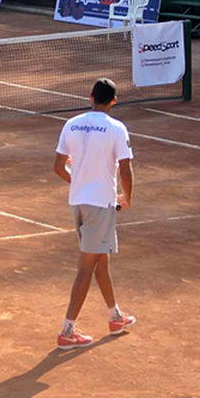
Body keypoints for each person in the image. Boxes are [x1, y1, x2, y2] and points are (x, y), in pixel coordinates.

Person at [53, 77, 136, 349]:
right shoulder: (116, 128)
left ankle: (115, 316)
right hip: (100, 204)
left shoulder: (70, 124)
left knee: (101, 261)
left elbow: (58, 167)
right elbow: (125, 169)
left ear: (90, 96)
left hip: (78, 202)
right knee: (86, 267)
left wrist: (77, 181)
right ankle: (67, 330)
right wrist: (128, 197)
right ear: (113, 101)